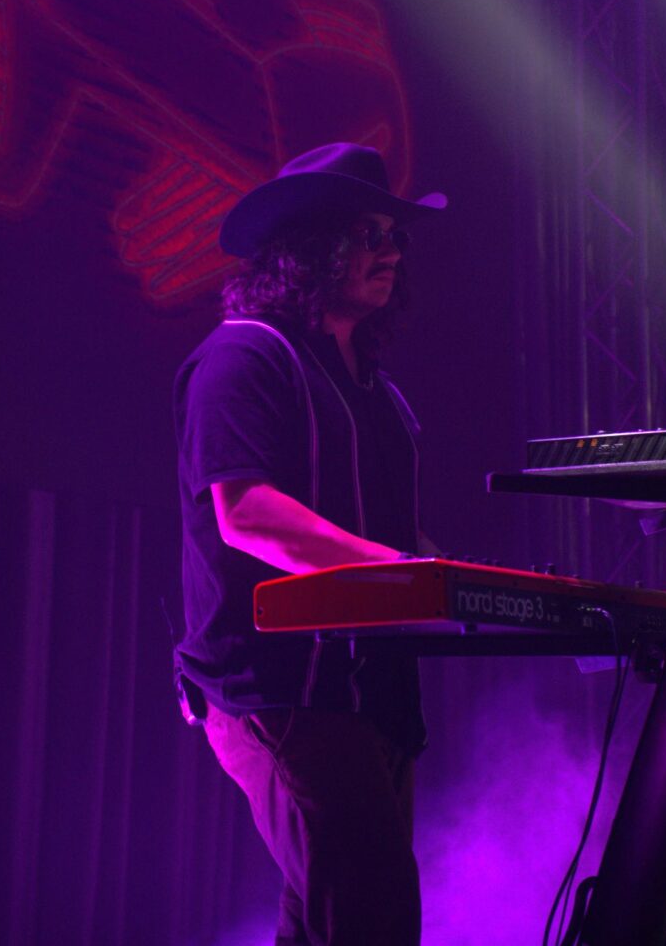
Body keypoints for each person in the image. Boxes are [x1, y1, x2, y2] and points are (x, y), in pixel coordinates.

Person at [173, 142, 447, 946]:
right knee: (371, 912)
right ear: (310, 247)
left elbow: (393, 537)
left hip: (371, 695)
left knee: (330, 917)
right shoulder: (243, 355)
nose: (390, 251)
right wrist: (404, 572)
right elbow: (248, 512)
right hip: (280, 688)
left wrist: (468, 579)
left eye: (394, 235)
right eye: (368, 234)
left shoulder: (379, 395)